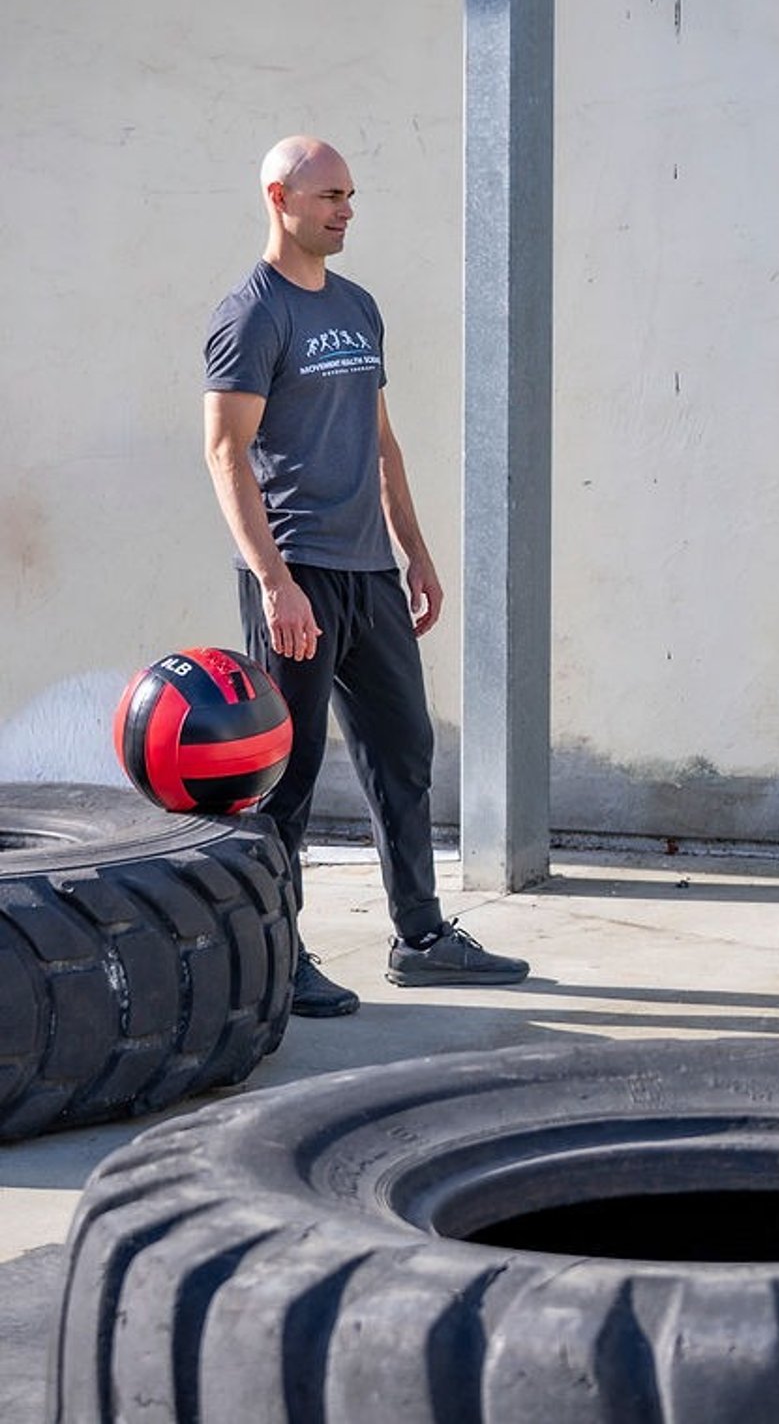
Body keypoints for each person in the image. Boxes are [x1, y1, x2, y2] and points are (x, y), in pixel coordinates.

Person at [203, 136, 530, 1016]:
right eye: (328, 196)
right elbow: (226, 453)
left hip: (370, 574)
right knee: (291, 777)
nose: (345, 210)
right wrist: (275, 583)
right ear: (281, 198)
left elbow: (380, 440)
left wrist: (414, 551)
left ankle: (421, 937)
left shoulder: (357, 307)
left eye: (350, 194)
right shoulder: (252, 314)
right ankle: (278, 959)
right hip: (296, 573)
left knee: (403, 752)